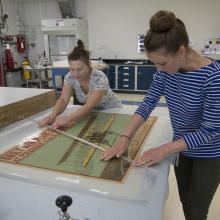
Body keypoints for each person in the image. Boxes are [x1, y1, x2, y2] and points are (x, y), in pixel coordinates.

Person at [101, 10, 220, 220]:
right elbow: (147, 104)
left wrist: (163, 149)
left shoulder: (213, 78)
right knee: (185, 202)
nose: (159, 69)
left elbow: (210, 131)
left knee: (196, 212)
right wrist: (124, 138)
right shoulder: (165, 72)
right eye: (154, 63)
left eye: (162, 63)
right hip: (182, 152)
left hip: (209, 156)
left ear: (181, 51)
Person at [38, 40, 121, 129]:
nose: (75, 74)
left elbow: (90, 105)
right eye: (72, 69)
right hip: (90, 112)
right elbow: (63, 100)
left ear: (89, 64)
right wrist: (52, 116)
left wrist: (68, 118)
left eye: (80, 69)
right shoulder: (70, 77)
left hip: (111, 110)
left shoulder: (99, 78)